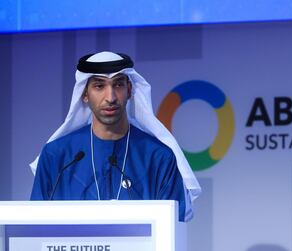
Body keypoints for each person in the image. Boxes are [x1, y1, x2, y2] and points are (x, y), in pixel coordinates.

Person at [30, 51, 201, 222]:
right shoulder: (57, 157)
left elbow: (173, 227)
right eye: (99, 86)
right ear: (85, 94)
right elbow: (35, 226)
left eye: (118, 85)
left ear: (130, 90)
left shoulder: (159, 157)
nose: (110, 97)